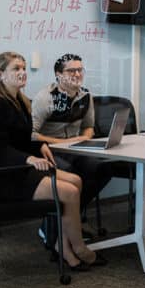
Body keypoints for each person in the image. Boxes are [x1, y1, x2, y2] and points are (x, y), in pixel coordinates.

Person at [0, 51, 105, 271]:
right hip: (6, 177)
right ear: (0, 75)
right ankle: (79, 248)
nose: (22, 73)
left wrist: (39, 147)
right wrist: (29, 158)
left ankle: (62, 244)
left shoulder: (20, 102)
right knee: (71, 191)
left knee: (76, 180)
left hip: (20, 169)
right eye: (15, 69)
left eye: (23, 68)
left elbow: (22, 138)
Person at [31, 54, 113, 228]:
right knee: (71, 174)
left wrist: (86, 137)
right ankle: (55, 225)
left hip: (77, 149)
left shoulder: (86, 96)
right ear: (58, 74)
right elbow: (32, 134)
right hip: (52, 151)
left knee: (104, 169)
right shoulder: (45, 98)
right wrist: (61, 142)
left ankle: (69, 217)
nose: (77, 74)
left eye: (80, 70)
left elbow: (89, 126)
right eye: (71, 70)